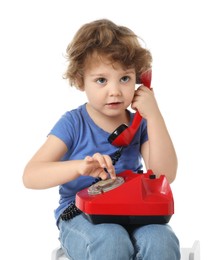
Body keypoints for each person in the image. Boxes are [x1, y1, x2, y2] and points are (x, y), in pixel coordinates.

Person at [23, 19, 180, 260]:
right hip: (81, 214)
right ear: (79, 80)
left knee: (161, 238)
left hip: (132, 211)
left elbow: (164, 175)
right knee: (111, 238)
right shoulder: (73, 123)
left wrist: (154, 115)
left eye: (125, 78)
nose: (115, 91)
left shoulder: (142, 124)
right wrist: (78, 167)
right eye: (101, 80)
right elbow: (31, 175)